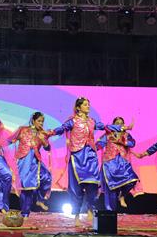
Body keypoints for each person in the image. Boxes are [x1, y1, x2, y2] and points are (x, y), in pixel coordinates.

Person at [52, 97, 127, 227]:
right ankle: (76, 215)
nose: (88, 106)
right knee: (76, 188)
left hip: (91, 156)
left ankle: (91, 209)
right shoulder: (72, 121)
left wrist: (119, 128)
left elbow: (104, 126)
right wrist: (50, 132)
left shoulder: (92, 121)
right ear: (78, 107)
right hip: (77, 157)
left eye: (89, 104)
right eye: (85, 105)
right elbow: (62, 128)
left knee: (93, 185)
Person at [12, 112, 55, 218]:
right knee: (27, 188)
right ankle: (25, 213)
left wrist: (44, 140)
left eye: (42, 122)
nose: (41, 123)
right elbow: (10, 139)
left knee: (47, 177)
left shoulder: (42, 134)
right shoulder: (23, 130)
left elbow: (48, 148)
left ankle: (40, 200)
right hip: (24, 160)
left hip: (36, 161)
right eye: (39, 121)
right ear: (33, 121)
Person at [97, 116, 142, 211]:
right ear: (113, 125)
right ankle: (110, 211)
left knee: (132, 180)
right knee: (111, 188)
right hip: (110, 163)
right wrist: (91, 147)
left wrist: (121, 141)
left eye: (121, 123)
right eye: (117, 123)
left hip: (123, 163)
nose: (119, 125)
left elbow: (132, 143)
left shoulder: (126, 135)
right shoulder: (108, 135)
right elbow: (99, 144)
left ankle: (122, 195)